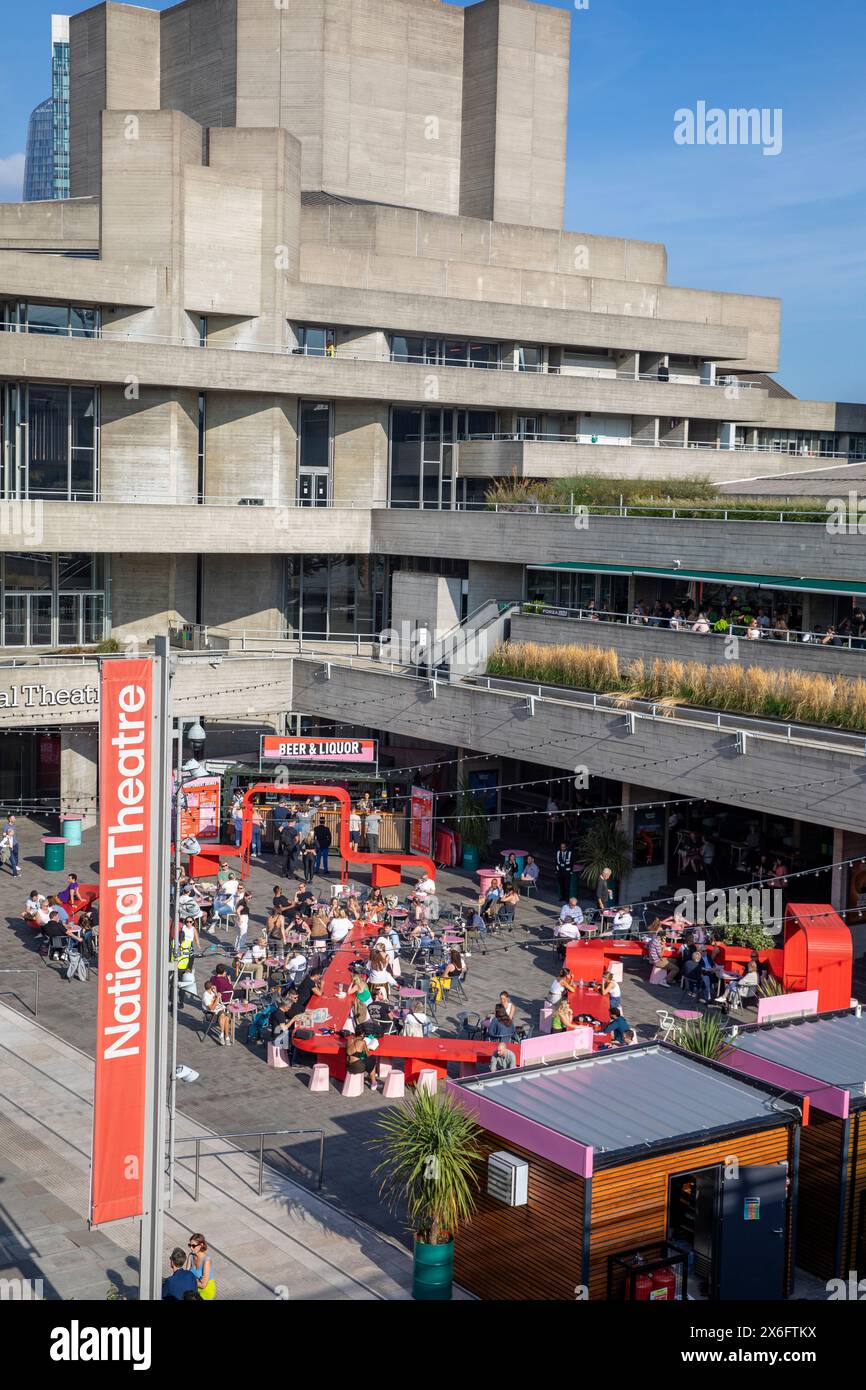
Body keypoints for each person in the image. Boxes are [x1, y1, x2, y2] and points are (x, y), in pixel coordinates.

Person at [185, 1234, 216, 1300]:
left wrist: (191, 1279)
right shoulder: (191, 1256)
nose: (191, 1248)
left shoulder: (206, 1260)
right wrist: (197, 1280)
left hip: (206, 1292)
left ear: (201, 1245)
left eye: (193, 1246)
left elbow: (203, 1285)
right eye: (189, 1245)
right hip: (194, 1289)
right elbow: (186, 1276)